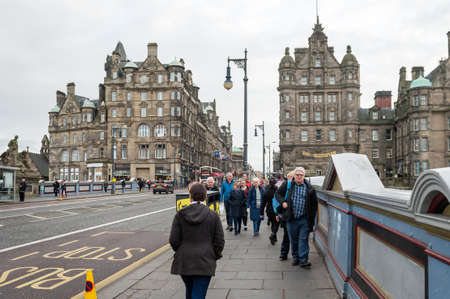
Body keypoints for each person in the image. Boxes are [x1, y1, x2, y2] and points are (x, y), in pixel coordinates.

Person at [170, 183, 224, 299]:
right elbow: (219, 241)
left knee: (190, 291)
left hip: (184, 260)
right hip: (205, 261)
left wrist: (181, 251)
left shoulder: (180, 214)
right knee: (198, 295)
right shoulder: (213, 215)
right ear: (205, 196)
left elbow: (173, 240)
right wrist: (214, 255)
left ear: (190, 196)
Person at [276, 167, 317, 268]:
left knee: (303, 239)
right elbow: (277, 194)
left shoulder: (310, 188)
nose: (299, 176)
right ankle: (296, 258)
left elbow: (314, 205)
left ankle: (303, 259)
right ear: (294, 176)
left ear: (304, 176)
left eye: (301, 175)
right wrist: (283, 202)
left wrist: (311, 219)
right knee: (293, 240)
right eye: (297, 175)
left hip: (304, 219)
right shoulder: (288, 184)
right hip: (291, 218)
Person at [276, 171, 294, 261]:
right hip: (287, 214)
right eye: (289, 177)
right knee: (286, 235)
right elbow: (277, 194)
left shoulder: (302, 184)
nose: (291, 178)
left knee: (296, 236)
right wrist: (283, 202)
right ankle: (283, 254)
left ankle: (297, 256)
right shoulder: (286, 184)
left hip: (297, 214)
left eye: (292, 177)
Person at [260, 178, 278, 245]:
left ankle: (274, 236)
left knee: (273, 223)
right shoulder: (277, 190)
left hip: (269, 209)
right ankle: (273, 234)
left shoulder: (266, 192)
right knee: (276, 223)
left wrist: (261, 212)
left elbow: (263, 203)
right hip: (276, 209)